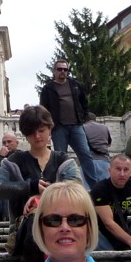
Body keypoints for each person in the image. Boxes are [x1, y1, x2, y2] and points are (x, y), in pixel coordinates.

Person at [0, 106, 82, 223]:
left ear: (50, 129)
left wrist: (43, 197)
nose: (37, 136)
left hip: (59, 226)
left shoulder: (63, 160)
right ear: (25, 135)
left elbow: (77, 190)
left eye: (41, 130)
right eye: (31, 132)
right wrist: (30, 187)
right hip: (23, 229)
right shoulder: (14, 161)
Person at [38, 60, 97, 189]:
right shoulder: (48, 88)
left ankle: (94, 186)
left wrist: (84, 115)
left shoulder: (75, 85)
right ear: (54, 71)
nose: (63, 72)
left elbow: (84, 102)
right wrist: (49, 125)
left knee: (85, 154)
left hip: (76, 125)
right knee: (60, 156)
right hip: (59, 127)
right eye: (60, 69)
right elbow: (43, 109)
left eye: (65, 70)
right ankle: (60, 185)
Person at [90, 155, 131, 251]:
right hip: (102, 233)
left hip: (124, 227)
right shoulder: (100, 189)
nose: (122, 174)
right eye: (118, 169)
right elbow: (108, 223)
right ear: (110, 170)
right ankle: (110, 261)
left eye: (126, 170)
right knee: (93, 234)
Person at [0, 132, 19, 222]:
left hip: (17, 183)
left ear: (17, 143)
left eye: (9, 142)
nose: (6, 145)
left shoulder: (21, 155)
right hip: (2, 183)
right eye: (4, 143)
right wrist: (1, 157)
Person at [82, 115, 113, 185]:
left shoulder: (82, 127)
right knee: (104, 189)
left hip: (88, 161)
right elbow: (109, 143)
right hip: (104, 160)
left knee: (88, 191)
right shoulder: (104, 127)